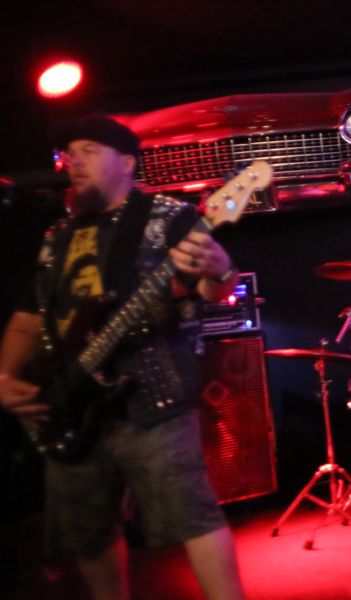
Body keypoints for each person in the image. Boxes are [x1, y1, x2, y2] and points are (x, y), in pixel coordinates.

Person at [0, 116, 245, 600]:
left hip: (154, 402)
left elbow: (215, 289)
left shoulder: (168, 217)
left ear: (127, 162)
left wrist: (221, 270)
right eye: (70, 153)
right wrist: (3, 375)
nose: (74, 161)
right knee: (90, 533)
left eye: (89, 150)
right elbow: (30, 317)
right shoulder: (58, 235)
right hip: (69, 407)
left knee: (194, 518)